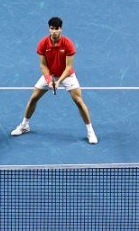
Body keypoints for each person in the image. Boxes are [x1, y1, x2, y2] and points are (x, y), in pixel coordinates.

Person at [10, 16, 96, 144]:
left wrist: (58, 81)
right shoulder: (42, 43)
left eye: (57, 29)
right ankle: (24, 126)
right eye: (52, 29)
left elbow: (68, 67)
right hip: (50, 74)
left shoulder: (68, 44)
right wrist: (49, 79)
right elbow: (43, 65)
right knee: (33, 98)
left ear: (61, 29)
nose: (54, 31)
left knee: (78, 100)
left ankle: (90, 131)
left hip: (66, 75)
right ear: (49, 29)